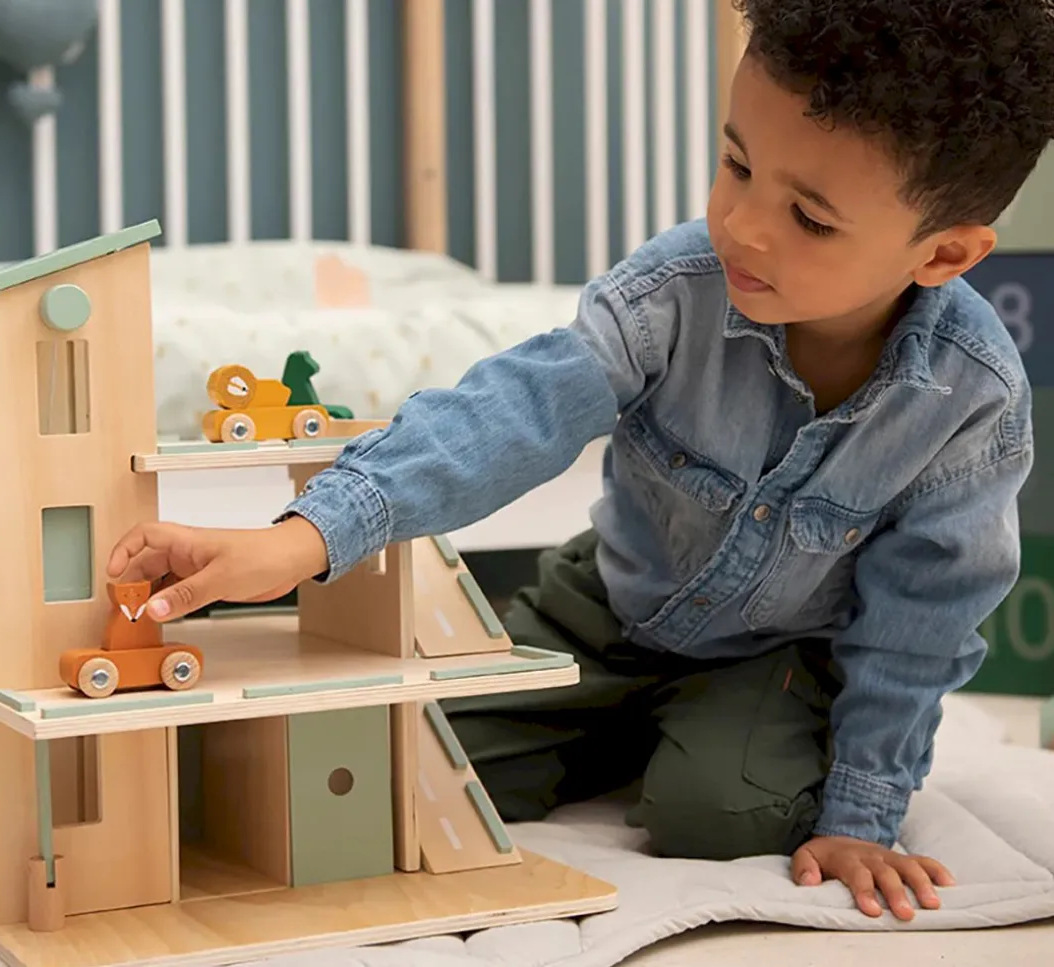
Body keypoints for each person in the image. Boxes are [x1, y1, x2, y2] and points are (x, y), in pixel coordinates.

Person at [107, 0, 1053, 924]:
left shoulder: (969, 398)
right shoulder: (673, 292)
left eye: (808, 217)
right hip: (603, 611)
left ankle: (672, 740)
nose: (743, 227)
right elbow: (511, 412)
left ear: (944, 255)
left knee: (719, 814)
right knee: (401, 764)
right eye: (736, 165)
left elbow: (923, 616)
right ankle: (622, 729)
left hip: (775, 657)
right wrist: (303, 538)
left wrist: (861, 816)